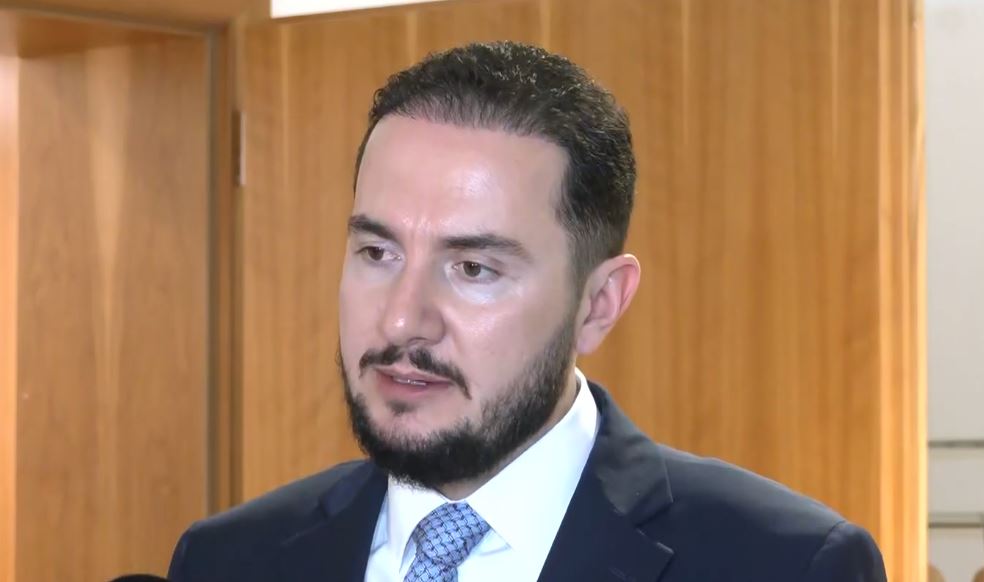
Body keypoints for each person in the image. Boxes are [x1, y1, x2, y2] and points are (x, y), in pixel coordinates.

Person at [168, 41, 887, 582]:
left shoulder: (787, 564)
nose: (400, 322)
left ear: (598, 305)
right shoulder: (228, 559)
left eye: (473, 269)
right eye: (378, 253)